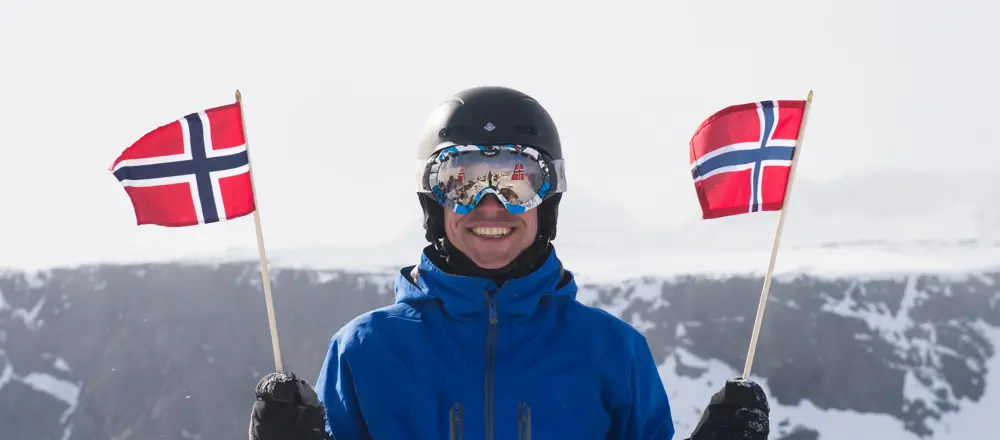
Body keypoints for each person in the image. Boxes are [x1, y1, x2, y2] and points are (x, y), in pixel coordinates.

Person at [248, 86, 771, 440]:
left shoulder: (612, 352)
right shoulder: (365, 350)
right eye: (463, 180)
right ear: (434, 201)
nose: (492, 204)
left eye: (519, 180)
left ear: (548, 202)